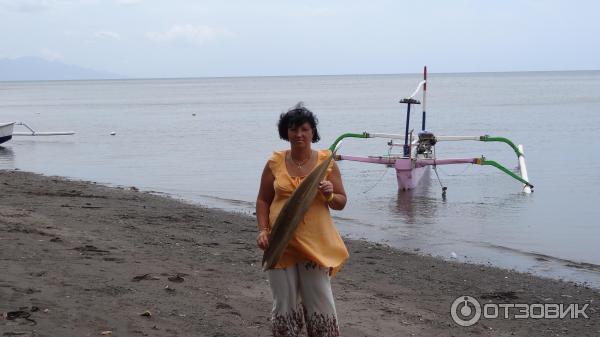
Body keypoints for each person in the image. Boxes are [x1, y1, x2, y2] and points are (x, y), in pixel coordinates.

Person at [256, 102, 350, 337]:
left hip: (314, 245)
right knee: (284, 303)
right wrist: (263, 230)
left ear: (313, 132)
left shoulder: (326, 164)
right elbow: (263, 201)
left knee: (320, 302)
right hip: (280, 243)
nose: (299, 134)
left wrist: (329, 193)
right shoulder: (275, 162)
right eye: (293, 129)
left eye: (304, 129)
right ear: (285, 132)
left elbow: (340, 202)